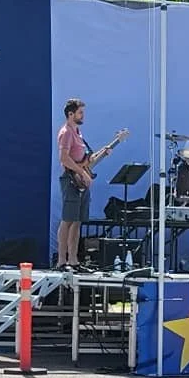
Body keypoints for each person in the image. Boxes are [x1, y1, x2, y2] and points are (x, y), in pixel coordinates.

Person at [56, 98, 110, 271]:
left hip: (82, 180)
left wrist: (103, 152)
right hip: (71, 179)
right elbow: (64, 159)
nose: (82, 115)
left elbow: (86, 161)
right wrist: (81, 174)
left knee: (77, 221)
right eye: (80, 112)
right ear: (70, 114)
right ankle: (61, 260)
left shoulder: (78, 133)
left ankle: (73, 259)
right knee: (67, 220)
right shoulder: (66, 132)